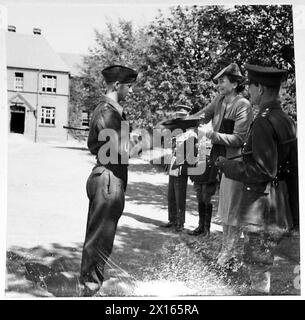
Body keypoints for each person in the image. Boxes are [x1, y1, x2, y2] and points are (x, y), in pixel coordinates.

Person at [215, 64, 298, 294]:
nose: (248, 91)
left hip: (261, 209)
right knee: (263, 267)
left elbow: (261, 170)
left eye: (250, 86)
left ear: (260, 88)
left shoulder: (263, 120)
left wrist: (226, 165)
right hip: (279, 206)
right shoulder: (286, 119)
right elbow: (290, 169)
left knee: (257, 271)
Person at [80, 65, 138, 296]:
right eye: (129, 86)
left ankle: (90, 287)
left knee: (100, 239)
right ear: (117, 85)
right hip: (108, 178)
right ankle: (90, 290)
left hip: (110, 177)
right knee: (99, 241)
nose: (131, 91)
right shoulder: (108, 111)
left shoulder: (112, 111)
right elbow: (118, 148)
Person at [188, 64, 253, 268]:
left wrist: (210, 135)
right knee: (225, 208)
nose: (218, 85)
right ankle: (228, 252)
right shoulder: (220, 100)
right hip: (221, 162)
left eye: (222, 81)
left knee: (232, 210)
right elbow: (203, 114)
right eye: (217, 82)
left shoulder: (243, 105)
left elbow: (239, 138)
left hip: (235, 163)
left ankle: (228, 254)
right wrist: (183, 122)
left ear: (234, 84)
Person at [161, 104, 194, 232]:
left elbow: (192, 151)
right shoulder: (175, 131)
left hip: (182, 166)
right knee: (171, 195)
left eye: (182, 117)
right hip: (173, 165)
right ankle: (172, 219)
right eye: (178, 116)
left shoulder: (190, 133)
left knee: (180, 195)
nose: (179, 119)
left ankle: (180, 222)